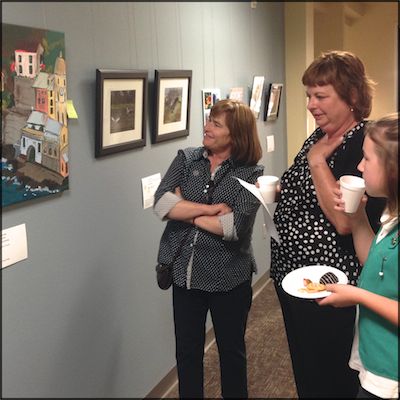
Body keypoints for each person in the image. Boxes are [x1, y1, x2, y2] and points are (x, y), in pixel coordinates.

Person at [269, 50, 386, 398]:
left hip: (329, 284)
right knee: (305, 365)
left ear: (351, 96)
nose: (310, 104)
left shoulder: (362, 146)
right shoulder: (317, 137)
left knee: (331, 373)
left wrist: (318, 161)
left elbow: (343, 220)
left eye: (321, 96)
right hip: (293, 276)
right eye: (308, 95)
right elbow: (299, 190)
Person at [153, 99, 264, 398]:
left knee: (232, 355)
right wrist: (213, 210)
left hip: (228, 279)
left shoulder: (251, 174)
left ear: (236, 134)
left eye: (216, 123)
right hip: (184, 275)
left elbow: (233, 228)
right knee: (187, 356)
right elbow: (161, 204)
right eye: (208, 120)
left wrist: (185, 209)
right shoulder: (186, 159)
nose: (207, 127)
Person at [318, 113, 398, 399]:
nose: (360, 166)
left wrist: (356, 295)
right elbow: (372, 263)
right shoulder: (392, 212)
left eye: (367, 159)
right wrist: (356, 215)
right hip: (374, 360)